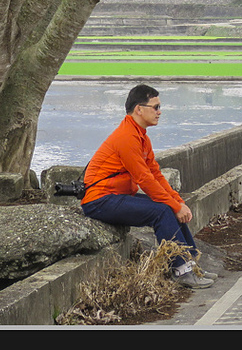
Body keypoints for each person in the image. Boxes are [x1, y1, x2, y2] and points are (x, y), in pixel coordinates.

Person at [81, 84, 214, 289]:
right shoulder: (126, 137)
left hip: (116, 196)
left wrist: (177, 202)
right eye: (156, 107)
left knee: (167, 207)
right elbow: (145, 180)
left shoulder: (141, 136)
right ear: (139, 109)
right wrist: (174, 205)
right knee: (161, 211)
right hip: (100, 200)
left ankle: (191, 265)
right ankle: (180, 271)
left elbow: (156, 175)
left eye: (160, 107)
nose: (160, 112)